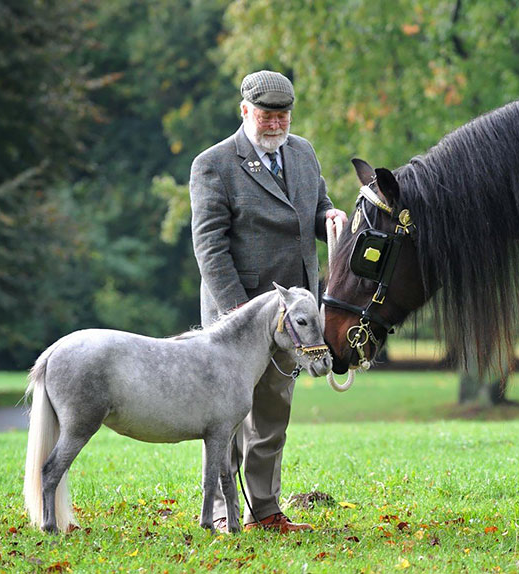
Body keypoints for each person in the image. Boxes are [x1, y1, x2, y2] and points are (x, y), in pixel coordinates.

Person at [189, 70, 347, 533]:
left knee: (274, 412)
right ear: (244, 112)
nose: (276, 124)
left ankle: (266, 509)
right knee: (228, 419)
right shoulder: (213, 164)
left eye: (283, 115)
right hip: (236, 318)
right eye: (266, 115)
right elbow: (209, 246)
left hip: (295, 319)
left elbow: (315, 212)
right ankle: (221, 510)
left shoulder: (303, 153)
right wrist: (236, 310)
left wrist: (331, 219)